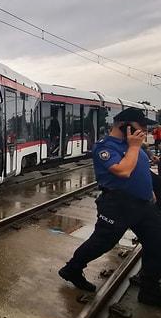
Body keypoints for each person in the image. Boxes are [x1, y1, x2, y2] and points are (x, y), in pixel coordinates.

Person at [58, 108, 161, 307]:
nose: (146, 129)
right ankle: (72, 269)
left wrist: (150, 190)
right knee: (102, 243)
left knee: (157, 243)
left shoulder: (133, 145)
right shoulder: (105, 147)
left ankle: (149, 291)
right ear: (125, 125)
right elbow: (122, 171)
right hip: (118, 205)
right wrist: (133, 146)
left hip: (144, 205)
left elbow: (141, 169)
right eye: (142, 125)